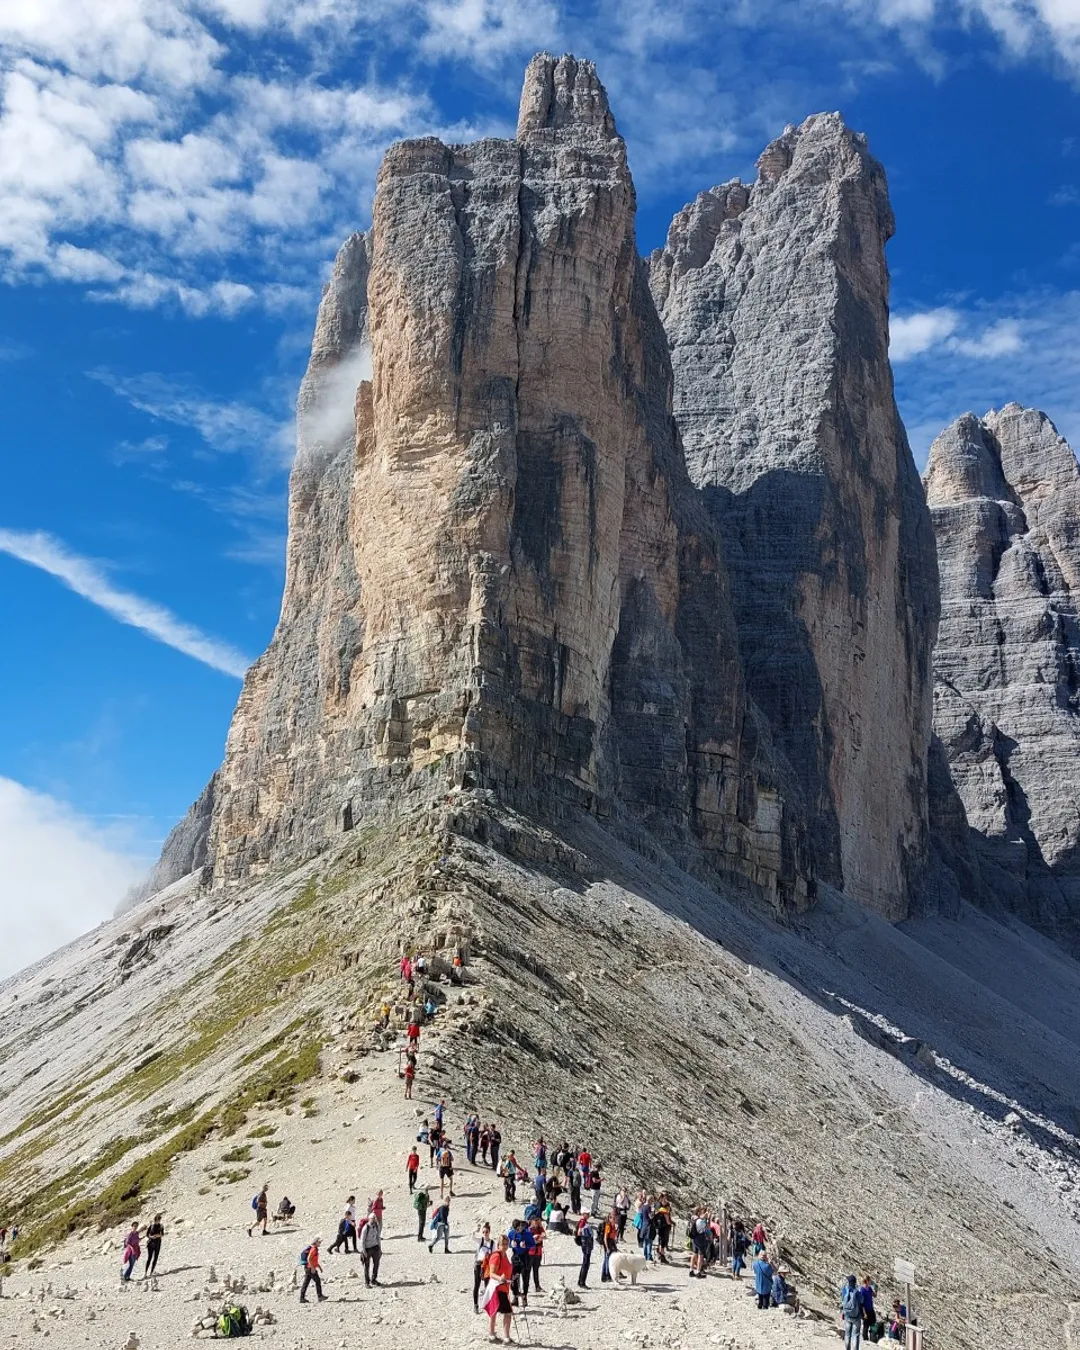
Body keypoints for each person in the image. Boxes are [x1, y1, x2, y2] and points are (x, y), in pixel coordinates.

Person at [483, 1234, 514, 1345]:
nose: (505, 1246)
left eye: (506, 1244)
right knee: (507, 1312)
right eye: (503, 1244)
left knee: (495, 1311)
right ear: (498, 1245)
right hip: (497, 1288)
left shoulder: (504, 1255)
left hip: (504, 1288)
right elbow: (491, 1274)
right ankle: (505, 1338)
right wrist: (500, 1278)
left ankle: (492, 1335)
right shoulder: (497, 1256)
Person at [507, 1218, 534, 1307]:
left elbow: (533, 1244)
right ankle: (515, 1296)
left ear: (521, 1226)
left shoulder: (527, 1234)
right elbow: (507, 1243)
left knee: (525, 1278)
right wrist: (511, 1244)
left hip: (525, 1257)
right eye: (516, 1229)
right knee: (514, 1277)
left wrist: (526, 1245)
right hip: (515, 1257)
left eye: (518, 1228)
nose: (517, 1231)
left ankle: (525, 1297)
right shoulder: (511, 1233)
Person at [473, 1222, 494, 1312]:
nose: (485, 1234)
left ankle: (487, 1305)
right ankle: (475, 1305)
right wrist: (474, 1231)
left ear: (489, 1232)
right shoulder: (480, 1240)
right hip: (478, 1264)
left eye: (487, 1232)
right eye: (484, 1232)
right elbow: (472, 1238)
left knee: (487, 1286)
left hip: (487, 1266)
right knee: (477, 1285)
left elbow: (494, 1255)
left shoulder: (493, 1243)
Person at [841, 1274, 863, 1349]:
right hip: (856, 1317)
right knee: (856, 1335)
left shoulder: (844, 1290)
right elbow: (862, 1301)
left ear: (849, 1282)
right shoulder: (857, 1292)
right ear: (854, 1282)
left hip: (847, 1316)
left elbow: (842, 1300)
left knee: (847, 1334)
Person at [361, 1211, 382, 1285]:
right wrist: (364, 1251)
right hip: (367, 1248)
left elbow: (378, 1237)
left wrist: (380, 1248)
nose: (374, 1220)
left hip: (375, 1247)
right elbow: (362, 1240)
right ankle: (367, 1282)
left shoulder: (376, 1226)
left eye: (374, 1218)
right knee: (367, 1266)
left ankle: (374, 1279)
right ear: (369, 1219)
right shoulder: (365, 1228)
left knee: (376, 1264)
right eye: (372, 1218)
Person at [689, 1207, 710, 1278]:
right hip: (700, 1239)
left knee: (694, 1254)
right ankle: (698, 1272)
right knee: (700, 1256)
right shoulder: (701, 1221)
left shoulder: (694, 1219)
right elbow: (708, 1227)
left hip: (695, 1238)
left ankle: (691, 1270)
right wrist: (708, 1218)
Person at [576, 1213, 595, 1289]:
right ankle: (582, 1282)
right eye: (587, 1214)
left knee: (585, 1262)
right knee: (586, 1263)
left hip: (587, 1243)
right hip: (586, 1243)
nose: (588, 1215)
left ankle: (580, 1281)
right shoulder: (583, 1221)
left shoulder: (584, 1221)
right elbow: (579, 1232)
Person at [601, 1209, 619, 1282]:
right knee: (607, 1259)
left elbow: (614, 1236)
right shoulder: (608, 1225)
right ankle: (606, 1275)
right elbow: (605, 1237)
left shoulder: (614, 1225)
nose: (614, 1219)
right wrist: (607, 1247)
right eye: (613, 1218)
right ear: (610, 1218)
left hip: (611, 1241)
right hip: (608, 1242)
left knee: (609, 1259)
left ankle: (607, 1275)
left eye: (615, 1218)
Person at [528, 1216, 545, 1293]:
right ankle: (526, 1286)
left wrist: (541, 1226)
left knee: (536, 1270)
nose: (537, 1222)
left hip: (538, 1252)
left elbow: (544, 1235)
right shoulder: (529, 1230)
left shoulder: (539, 1228)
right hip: (531, 1252)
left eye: (537, 1221)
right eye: (535, 1221)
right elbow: (529, 1240)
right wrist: (537, 1239)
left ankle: (537, 1286)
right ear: (531, 1221)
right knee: (528, 1270)